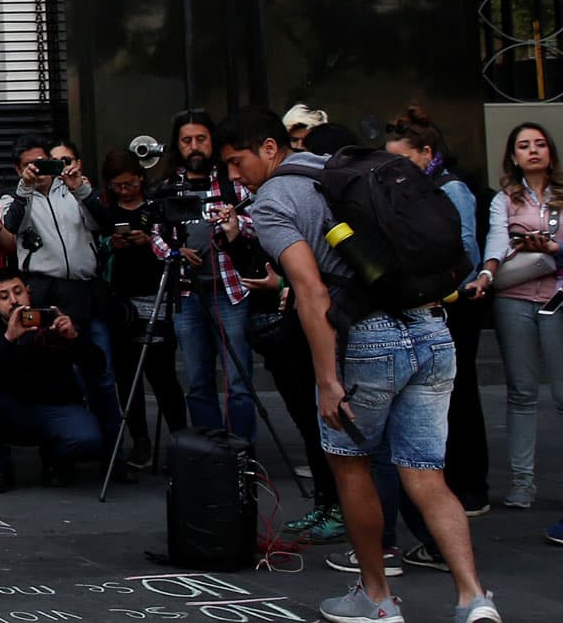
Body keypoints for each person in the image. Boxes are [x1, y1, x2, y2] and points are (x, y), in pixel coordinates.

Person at [224, 107, 499, 623]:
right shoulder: (343, 164)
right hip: (432, 325)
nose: (236, 176)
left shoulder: (273, 201)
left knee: (351, 466)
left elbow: (310, 291)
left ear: (268, 147)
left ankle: (376, 598)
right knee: (427, 474)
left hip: (366, 338)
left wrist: (327, 381)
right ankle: (473, 597)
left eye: (238, 162)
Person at [383, 106, 492, 518]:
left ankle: (471, 486)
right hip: (427, 302)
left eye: (403, 160)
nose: (396, 169)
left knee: (461, 395)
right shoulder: (412, 191)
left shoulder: (452, 190)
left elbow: (465, 251)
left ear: (427, 153)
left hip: (455, 304)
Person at [1, 134, 119, 450]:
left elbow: (105, 222)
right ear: (18, 169)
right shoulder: (14, 199)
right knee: (48, 375)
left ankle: (113, 453)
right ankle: (58, 455)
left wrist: (80, 187)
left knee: (101, 374)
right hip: (42, 290)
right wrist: (25, 189)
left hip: (82, 290)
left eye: (44, 162)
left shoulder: (74, 192)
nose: (40, 169)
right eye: (31, 165)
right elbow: (12, 225)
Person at [154, 111, 260, 443]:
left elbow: (260, 223)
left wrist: (234, 225)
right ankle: (211, 457)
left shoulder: (232, 183)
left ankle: (242, 456)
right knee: (199, 381)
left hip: (229, 291)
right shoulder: (168, 186)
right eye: (187, 141)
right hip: (187, 293)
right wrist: (173, 252)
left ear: (212, 142)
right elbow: (154, 234)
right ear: (178, 145)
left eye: (201, 139)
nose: (195, 147)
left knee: (239, 382)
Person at [474, 119, 562, 511]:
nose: (533, 150)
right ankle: (523, 483)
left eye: (540, 144)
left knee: (562, 394)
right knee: (521, 392)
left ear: (550, 153)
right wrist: (489, 269)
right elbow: (495, 237)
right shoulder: (504, 199)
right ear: (513, 155)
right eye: (524, 145)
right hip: (514, 296)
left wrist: (553, 248)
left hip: (558, 297)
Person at [0, 269, 105, 492]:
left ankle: (56, 460)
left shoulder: (50, 317)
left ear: (28, 293)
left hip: (54, 406)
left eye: (18, 292)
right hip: (9, 407)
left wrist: (73, 339)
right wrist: (8, 338)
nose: (13, 301)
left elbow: (98, 364)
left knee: (88, 440)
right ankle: (0, 468)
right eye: (4, 296)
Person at [95, 149, 186, 471]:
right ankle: (140, 442)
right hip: (121, 300)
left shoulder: (156, 209)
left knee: (163, 376)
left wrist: (147, 240)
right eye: (118, 185)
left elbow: (171, 247)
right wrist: (112, 245)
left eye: (130, 183)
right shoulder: (104, 211)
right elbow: (94, 248)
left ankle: (180, 441)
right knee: (126, 377)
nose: (125, 190)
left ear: (140, 178)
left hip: (155, 296)